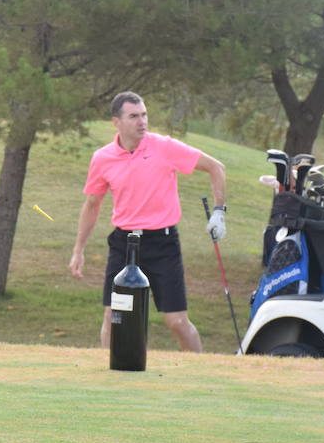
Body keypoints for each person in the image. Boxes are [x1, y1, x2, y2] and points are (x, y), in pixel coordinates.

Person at [68, 91, 227, 352]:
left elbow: (216, 167)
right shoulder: (102, 158)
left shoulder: (163, 147)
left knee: (176, 321)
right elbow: (92, 204)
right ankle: (109, 383)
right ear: (116, 122)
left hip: (162, 243)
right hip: (124, 243)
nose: (142, 121)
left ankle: (201, 373)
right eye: (133, 116)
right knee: (112, 317)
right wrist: (78, 250)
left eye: (144, 115)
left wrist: (219, 212)